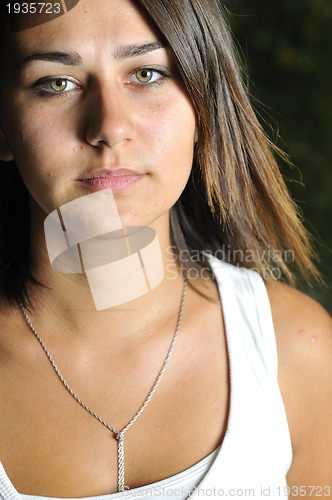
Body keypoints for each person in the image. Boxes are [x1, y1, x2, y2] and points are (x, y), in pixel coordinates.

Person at [0, 0, 331, 498]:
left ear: (204, 103)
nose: (109, 127)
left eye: (148, 74)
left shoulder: (296, 350)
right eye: (56, 82)